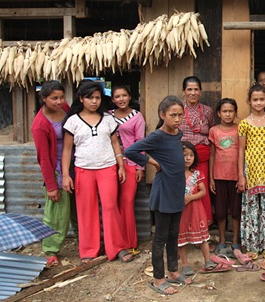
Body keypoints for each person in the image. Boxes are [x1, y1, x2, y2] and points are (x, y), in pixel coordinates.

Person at [61, 81, 133, 264]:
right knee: (86, 210)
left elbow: (116, 143)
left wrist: (121, 165)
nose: (94, 101)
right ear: (81, 99)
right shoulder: (73, 121)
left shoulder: (108, 119)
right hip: (83, 170)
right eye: (90, 98)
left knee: (110, 207)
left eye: (97, 98)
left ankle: (117, 247)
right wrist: (66, 175)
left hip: (107, 168)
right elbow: (67, 150)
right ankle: (89, 250)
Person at [125, 96, 191, 295]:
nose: (178, 119)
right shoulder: (157, 136)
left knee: (173, 234)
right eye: (173, 115)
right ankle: (158, 279)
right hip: (164, 192)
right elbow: (131, 151)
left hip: (177, 189)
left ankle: (172, 272)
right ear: (162, 115)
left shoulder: (177, 134)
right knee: (160, 237)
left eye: (180, 115)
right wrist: (153, 162)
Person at [237, 84, 265, 256]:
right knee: (251, 210)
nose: (258, 103)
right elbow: (241, 150)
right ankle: (252, 247)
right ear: (249, 101)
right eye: (255, 100)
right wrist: (241, 175)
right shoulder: (244, 124)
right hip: (251, 171)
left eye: (262, 99)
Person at [31, 80, 71, 268]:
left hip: (73, 165)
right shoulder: (40, 124)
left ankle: (86, 244)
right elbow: (43, 159)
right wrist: (51, 186)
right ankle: (50, 250)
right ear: (43, 99)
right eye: (54, 98)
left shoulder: (65, 108)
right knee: (56, 213)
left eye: (61, 97)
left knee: (78, 210)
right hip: (56, 170)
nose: (59, 101)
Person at [110, 85, 145, 252]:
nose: (121, 99)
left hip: (130, 164)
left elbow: (140, 142)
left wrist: (140, 167)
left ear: (130, 97)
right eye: (117, 96)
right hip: (111, 164)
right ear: (112, 99)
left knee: (127, 203)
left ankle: (129, 242)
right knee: (112, 204)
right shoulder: (107, 116)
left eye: (124, 95)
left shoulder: (137, 116)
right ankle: (116, 242)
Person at [180, 76, 214, 224]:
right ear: (183, 91)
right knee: (185, 190)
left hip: (202, 157)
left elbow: (212, 133)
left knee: (201, 190)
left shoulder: (207, 111)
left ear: (200, 91)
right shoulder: (178, 110)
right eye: (189, 89)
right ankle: (186, 227)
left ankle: (203, 226)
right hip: (183, 158)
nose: (193, 93)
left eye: (196, 89)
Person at [209, 98, 241, 255]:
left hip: (236, 177)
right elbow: (213, 155)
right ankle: (222, 240)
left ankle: (235, 240)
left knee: (236, 211)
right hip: (219, 177)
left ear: (235, 113)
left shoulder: (240, 128)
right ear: (218, 113)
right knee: (220, 212)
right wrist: (211, 178)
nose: (228, 114)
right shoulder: (214, 131)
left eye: (231, 111)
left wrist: (242, 176)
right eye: (224, 111)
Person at [178, 142, 211, 273]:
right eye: (184, 155)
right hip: (181, 211)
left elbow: (203, 192)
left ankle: (208, 260)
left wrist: (191, 198)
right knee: (181, 238)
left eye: (191, 155)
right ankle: (185, 265)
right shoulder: (175, 174)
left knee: (202, 237)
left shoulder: (197, 174)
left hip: (196, 210)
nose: (188, 158)